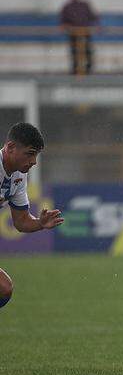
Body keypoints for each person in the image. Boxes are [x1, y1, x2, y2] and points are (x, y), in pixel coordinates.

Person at [0, 123, 64, 311]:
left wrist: (40, 223)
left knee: (4, 289)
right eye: (30, 153)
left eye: (36, 155)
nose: (34, 161)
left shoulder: (18, 176)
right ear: (10, 148)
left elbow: (20, 221)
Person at [60, 0, 99, 75]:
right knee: (74, 53)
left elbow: (93, 17)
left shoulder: (84, 5)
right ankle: (75, 71)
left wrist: (96, 25)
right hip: (73, 34)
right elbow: (63, 21)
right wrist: (65, 27)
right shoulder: (67, 6)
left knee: (87, 52)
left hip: (85, 33)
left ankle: (88, 71)